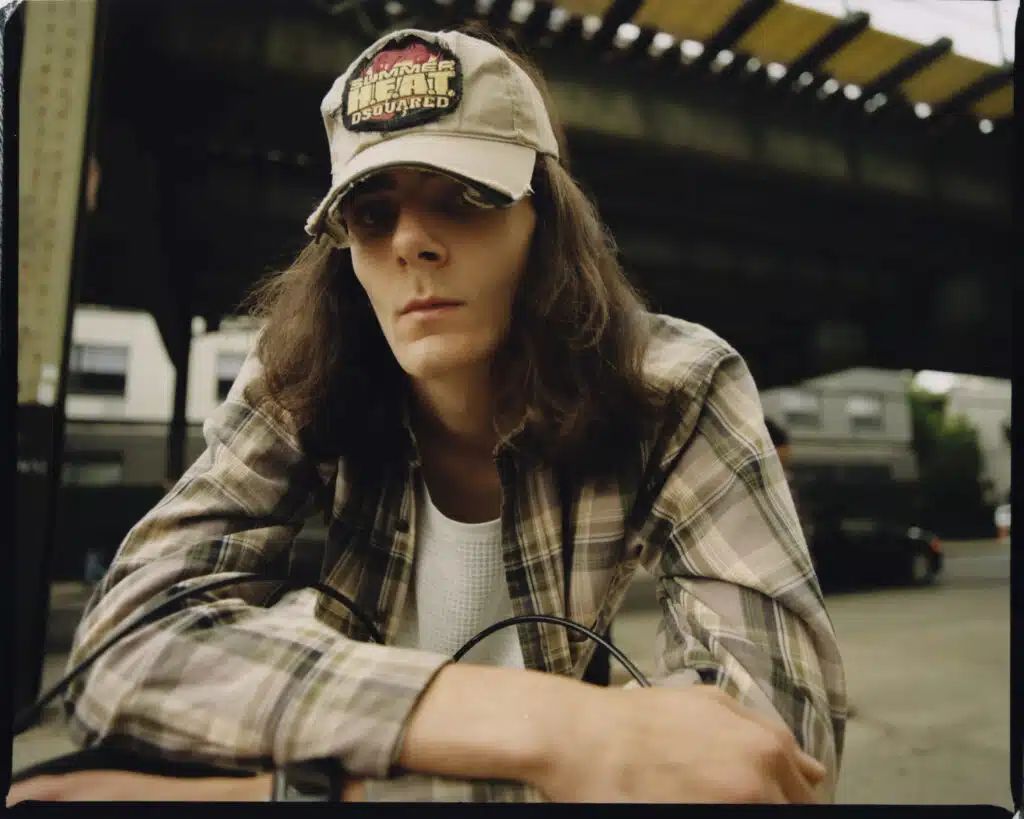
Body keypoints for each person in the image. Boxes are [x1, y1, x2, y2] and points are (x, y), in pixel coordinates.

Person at [9, 25, 846, 805]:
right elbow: (123, 644)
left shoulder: (678, 381)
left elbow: (771, 752)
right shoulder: (297, 376)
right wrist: (561, 729)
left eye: (464, 197)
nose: (411, 240)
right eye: (372, 213)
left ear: (542, 221)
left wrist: (271, 790)